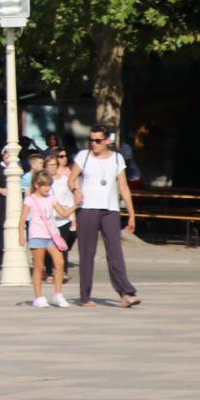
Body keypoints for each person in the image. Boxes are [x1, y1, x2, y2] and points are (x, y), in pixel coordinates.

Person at [71, 125, 140, 308]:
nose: (94, 144)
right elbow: (72, 178)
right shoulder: (83, 156)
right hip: (88, 209)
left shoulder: (117, 159)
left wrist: (132, 215)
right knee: (87, 253)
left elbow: (124, 187)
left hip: (111, 209)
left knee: (115, 251)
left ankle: (126, 292)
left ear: (107, 141)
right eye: (91, 140)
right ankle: (85, 296)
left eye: (98, 140)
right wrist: (76, 191)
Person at [26, 172, 70, 308]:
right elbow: (22, 219)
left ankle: (58, 294)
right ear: (36, 185)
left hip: (52, 236)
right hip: (37, 235)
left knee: (60, 263)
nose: (47, 188)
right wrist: (21, 236)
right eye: (44, 185)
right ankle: (38, 297)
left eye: (49, 185)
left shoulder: (51, 198)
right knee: (39, 267)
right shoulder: (30, 199)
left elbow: (63, 213)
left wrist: (76, 206)